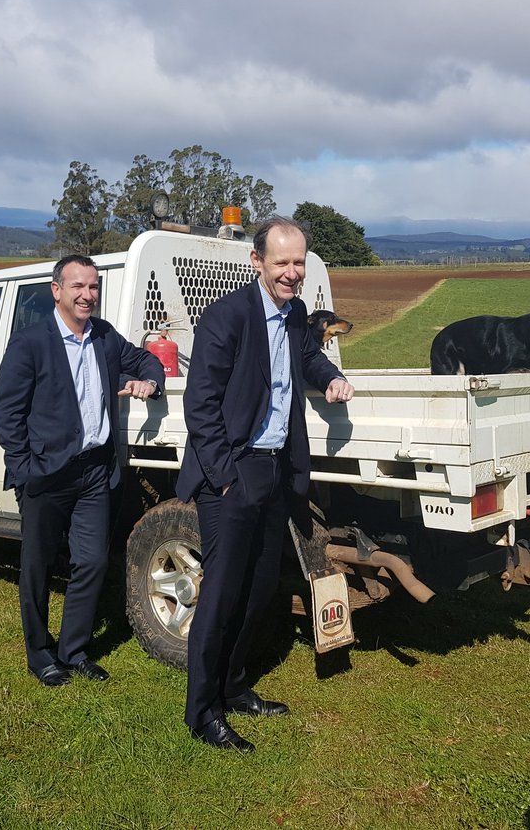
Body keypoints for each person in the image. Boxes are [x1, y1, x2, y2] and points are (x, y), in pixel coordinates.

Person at [178, 216, 356, 751]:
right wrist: (227, 477)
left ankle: (234, 687)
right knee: (223, 592)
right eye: (281, 262)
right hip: (233, 471)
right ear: (256, 262)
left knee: (259, 588)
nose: (292, 273)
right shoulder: (226, 317)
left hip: (275, 469)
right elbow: (200, 404)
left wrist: (330, 378)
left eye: (299, 262)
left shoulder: (296, 313)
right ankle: (201, 711)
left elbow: (305, 356)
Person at [0, 254, 165, 687]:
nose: (87, 295)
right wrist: (25, 468)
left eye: (93, 287)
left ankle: (73, 650)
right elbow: (7, 413)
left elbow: (144, 360)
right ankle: (40, 653)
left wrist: (151, 381)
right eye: (78, 287)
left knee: (90, 561)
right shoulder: (30, 343)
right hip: (46, 475)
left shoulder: (104, 337)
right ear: (57, 290)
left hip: (94, 472)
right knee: (37, 565)